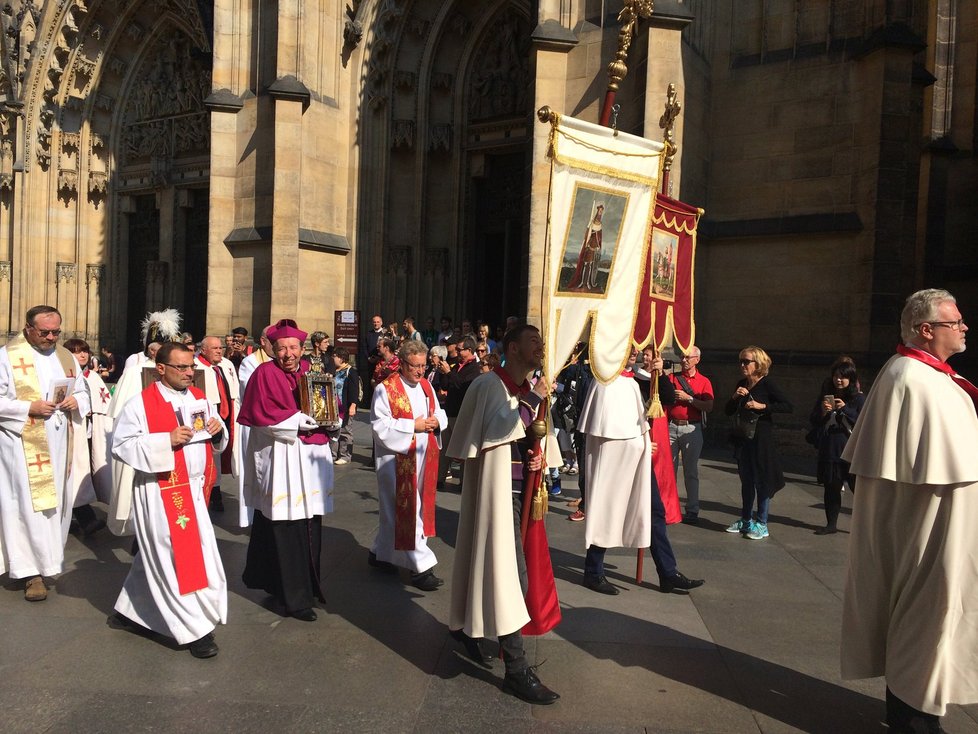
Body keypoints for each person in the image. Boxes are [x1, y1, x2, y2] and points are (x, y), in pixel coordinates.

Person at [840, 289, 978, 733]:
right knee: (925, 614)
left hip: (947, 524)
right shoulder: (908, 378)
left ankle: (918, 709)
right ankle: (914, 718)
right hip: (927, 528)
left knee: (940, 614)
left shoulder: (933, 376)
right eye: (954, 322)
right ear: (926, 330)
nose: (964, 327)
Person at [447, 324, 560, 705]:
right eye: (533, 342)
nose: (540, 347)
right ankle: (515, 667)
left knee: (500, 570)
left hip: (521, 491)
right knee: (512, 576)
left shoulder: (527, 390)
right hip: (496, 494)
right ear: (512, 348)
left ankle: (468, 627)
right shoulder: (488, 385)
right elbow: (496, 432)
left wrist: (539, 451)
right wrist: (532, 401)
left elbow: (531, 436)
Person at [110, 342, 227, 658]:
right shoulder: (141, 404)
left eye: (192, 367)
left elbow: (216, 435)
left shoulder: (199, 398)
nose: (190, 373)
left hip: (194, 488)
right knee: (178, 557)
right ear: (161, 368)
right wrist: (166, 440)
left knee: (163, 554)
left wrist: (218, 432)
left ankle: (130, 609)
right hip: (160, 490)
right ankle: (195, 630)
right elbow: (121, 445)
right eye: (182, 367)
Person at [578, 347, 703, 595]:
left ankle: (667, 573)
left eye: (634, 348)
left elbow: (664, 398)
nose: (633, 352)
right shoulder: (604, 385)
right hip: (614, 463)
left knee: (655, 512)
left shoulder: (634, 381)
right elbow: (606, 431)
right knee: (608, 511)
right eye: (628, 347)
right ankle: (593, 571)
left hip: (639, 460)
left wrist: (660, 371)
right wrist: (640, 443)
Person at [238, 319, 333, 621]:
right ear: (272, 350)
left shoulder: (311, 373)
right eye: (282, 349)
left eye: (293, 348)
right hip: (281, 458)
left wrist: (331, 418)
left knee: (308, 522)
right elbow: (259, 414)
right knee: (284, 524)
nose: (288, 354)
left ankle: (295, 585)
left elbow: (329, 404)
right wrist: (295, 421)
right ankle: (295, 598)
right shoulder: (264, 374)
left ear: (302, 349)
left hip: (309, 459)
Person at [0, 305, 89, 601]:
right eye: (45, 332)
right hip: (21, 446)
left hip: (59, 443)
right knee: (26, 506)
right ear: (28, 329)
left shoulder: (65, 357)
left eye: (56, 332)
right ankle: (29, 573)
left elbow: (84, 390)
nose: (51, 338)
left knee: (53, 506)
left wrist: (77, 401)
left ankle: (49, 561)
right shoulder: (7, 357)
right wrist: (29, 407)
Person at [369, 340, 447, 589]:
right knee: (407, 509)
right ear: (402, 364)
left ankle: (380, 553)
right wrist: (412, 425)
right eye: (415, 366)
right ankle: (420, 568)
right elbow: (379, 425)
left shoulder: (426, 386)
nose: (420, 371)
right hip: (396, 459)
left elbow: (438, 410)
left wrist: (436, 421)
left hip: (425, 455)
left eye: (423, 365)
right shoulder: (386, 389)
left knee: (413, 508)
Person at [724, 346, 792, 540]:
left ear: (758, 364)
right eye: (741, 361)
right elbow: (728, 410)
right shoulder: (741, 383)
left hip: (762, 440)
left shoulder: (767, 384)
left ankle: (762, 523)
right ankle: (746, 519)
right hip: (743, 439)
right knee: (746, 481)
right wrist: (735, 397)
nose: (743, 365)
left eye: (747, 361)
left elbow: (788, 406)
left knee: (762, 481)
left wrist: (762, 406)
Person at [807, 357, 864, 535]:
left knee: (859, 490)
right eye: (836, 376)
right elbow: (814, 419)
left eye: (843, 376)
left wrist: (845, 408)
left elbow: (862, 421)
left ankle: (864, 526)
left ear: (851, 379)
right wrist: (824, 411)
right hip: (831, 448)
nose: (838, 380)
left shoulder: (859, 398)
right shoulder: (826, 396)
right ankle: (831, 524)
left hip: (852, 449)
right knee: (831, 488)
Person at [64, 338, 111, 535]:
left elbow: (105, 402)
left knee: (90, 473)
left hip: (93, 433)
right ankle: (86, 519)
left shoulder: (93, 376)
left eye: (85, 351)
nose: (82, 355)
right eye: (76, 352)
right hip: (73, 433)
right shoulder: (66, 376)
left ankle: (78, 518)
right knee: (72, 475)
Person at [665, 346, 714, 524]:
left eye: (687, 357)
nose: (684, 360)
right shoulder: (672, 377)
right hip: (671, 426)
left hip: (691, 428)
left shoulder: (704, 381)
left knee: (690, 471)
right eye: (682, 357)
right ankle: (669, 508)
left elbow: (709, 407)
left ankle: (692, 509)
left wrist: (690, 399)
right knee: (669, 470)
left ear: (697, 360)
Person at [196, 336, 240, 512]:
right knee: (210, 457)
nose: (219, 351)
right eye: (214, 348)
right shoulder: (195, 367)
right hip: (209, 416)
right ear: (203, 350)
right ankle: (213, 493)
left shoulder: (227, 365)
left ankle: (216, 491)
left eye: (220, 347)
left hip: (228, 414)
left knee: (224, 456)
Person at [437, 335, 481, 486]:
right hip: (449, 411)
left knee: (462, 450)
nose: (456, 351)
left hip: (462, 414)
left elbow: (463, 387)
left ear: (469, 350)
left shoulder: (475, 368)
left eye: (459, 349)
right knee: (443, 449)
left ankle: (464, 483)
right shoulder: (456, 364)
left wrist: (449, 373)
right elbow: (446, 386)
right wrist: (444, 373)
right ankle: (439, 478)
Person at [330, 346, 361, 464]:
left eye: (335, 356)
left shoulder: (351, 371)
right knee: (333, 431)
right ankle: (332, 454)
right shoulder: (334, 371)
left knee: (345, 431)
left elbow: (354, 391)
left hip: (345, 407)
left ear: (341, 358)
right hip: (334, 406)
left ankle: (345, 455)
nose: (333, 358)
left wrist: (353, 405)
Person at [566, 203, 603, 291]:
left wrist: (598, 246)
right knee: (585, 264)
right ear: (597, 211)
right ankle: (582, 282)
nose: (600, 213)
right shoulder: (591, 222)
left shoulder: (600, 224)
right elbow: (587, 235)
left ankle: (588, 283)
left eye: (602, 211)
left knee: (590, 266)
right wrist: (588, 242)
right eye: (600, 211)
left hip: (594, 248)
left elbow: (600, 237)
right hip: (588, 246)